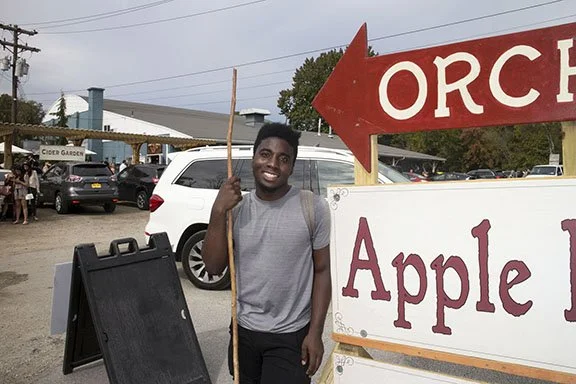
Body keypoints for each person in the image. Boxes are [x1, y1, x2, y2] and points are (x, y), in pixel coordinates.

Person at [202, 123, 332, 384]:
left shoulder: (313, 207)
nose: (273, 164)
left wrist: (315, 332)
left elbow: (322, 271)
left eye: (284, 159)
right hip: (243, 331)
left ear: (292, 167)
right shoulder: (235, 209)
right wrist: (218, 212)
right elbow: (213, 267)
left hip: (291, 335)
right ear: (253, 158)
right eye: (265, 154)